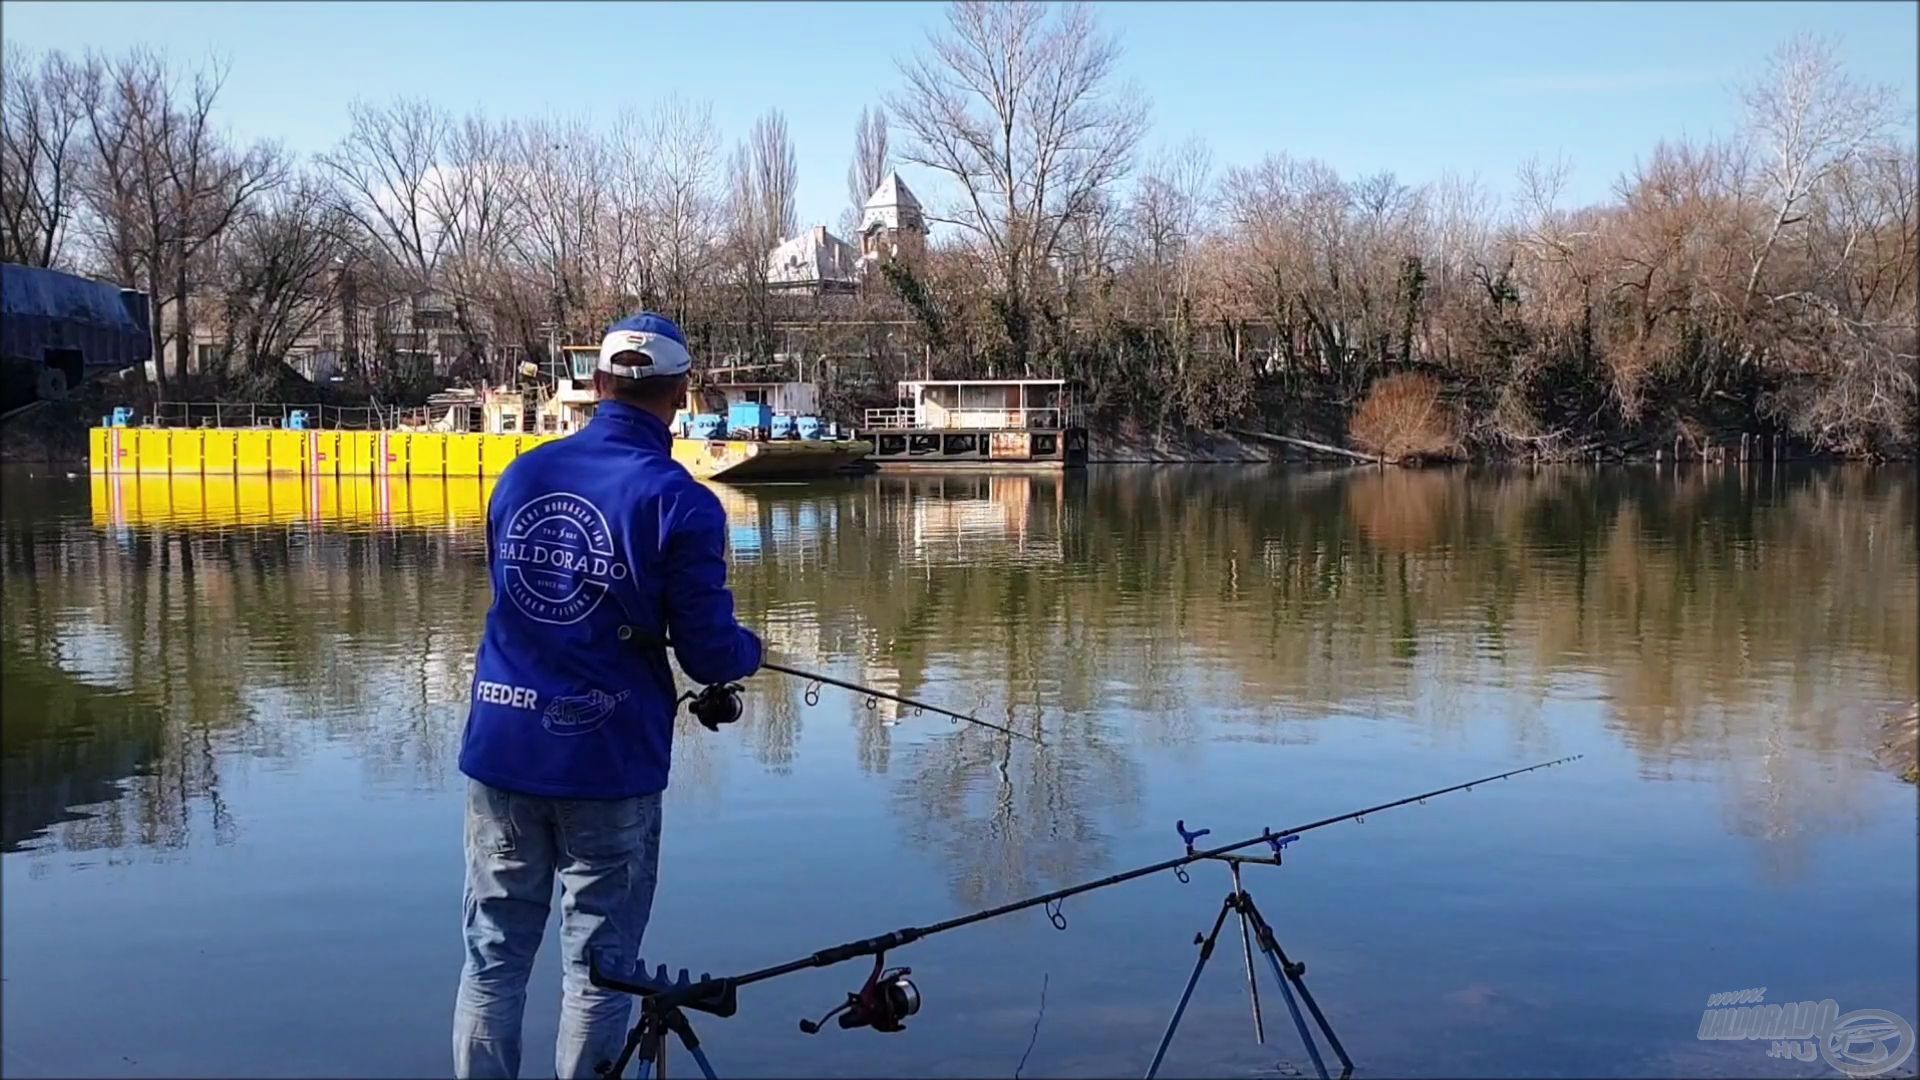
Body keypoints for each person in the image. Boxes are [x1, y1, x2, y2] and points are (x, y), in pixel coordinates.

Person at [452, 311, 763, 1079]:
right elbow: (707, 650)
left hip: (503, 751)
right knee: (600, 966)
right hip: (605, 763)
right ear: (680, 393)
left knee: (492, 957)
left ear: (596, 385)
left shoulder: (523, 474)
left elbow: (516, 594)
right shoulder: (679, 501)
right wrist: (750, 652)